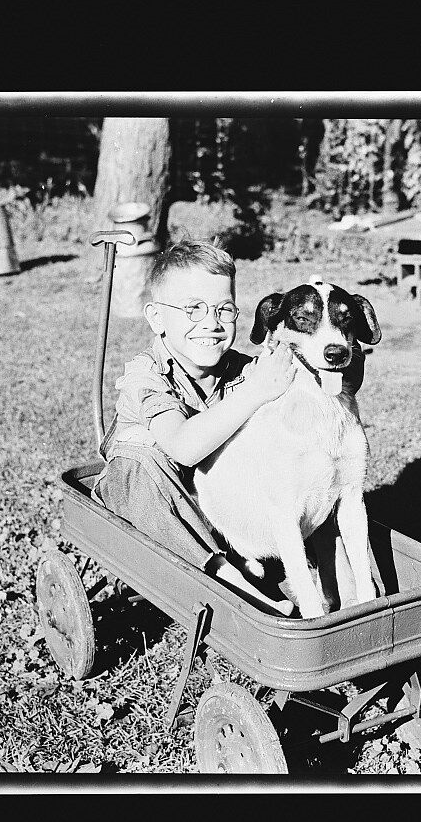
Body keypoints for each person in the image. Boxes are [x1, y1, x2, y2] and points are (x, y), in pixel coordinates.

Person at [91, 237, 298, 615]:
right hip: (145, 494)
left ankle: (242, 548)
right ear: (156, 318)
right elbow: (184, 447)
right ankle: (227, 575)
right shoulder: (146, 375)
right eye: (193, 309)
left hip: (208, 500)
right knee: (141, 456)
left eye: (224, 309)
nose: (211, 323)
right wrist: (255, 393)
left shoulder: (240, 370)